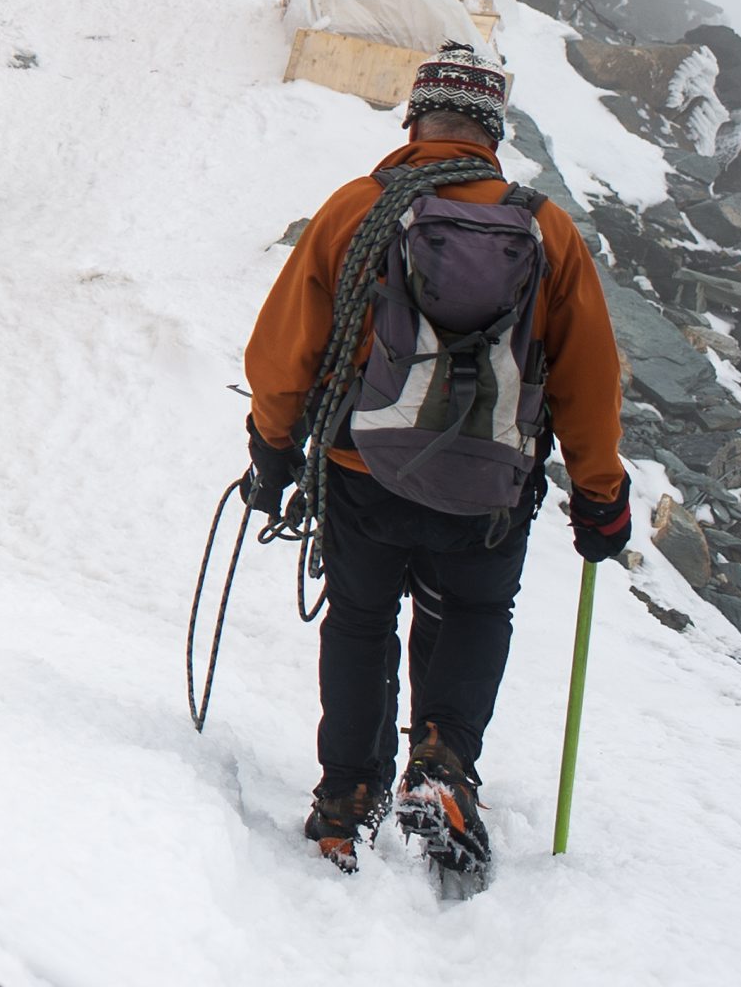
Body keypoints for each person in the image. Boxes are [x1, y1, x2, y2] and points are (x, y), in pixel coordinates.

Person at [242, 45, 631, 880]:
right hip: (489, 489)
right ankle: (444, 766)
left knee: (360, 620)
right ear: (492, 130)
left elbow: (285, 350)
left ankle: (348, 796)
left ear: (416, 117)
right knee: (475, 613)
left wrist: (273, 452)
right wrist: (601, 496)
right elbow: (590, 377)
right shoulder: (544, 229)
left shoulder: (359, 210)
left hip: (360, 470)